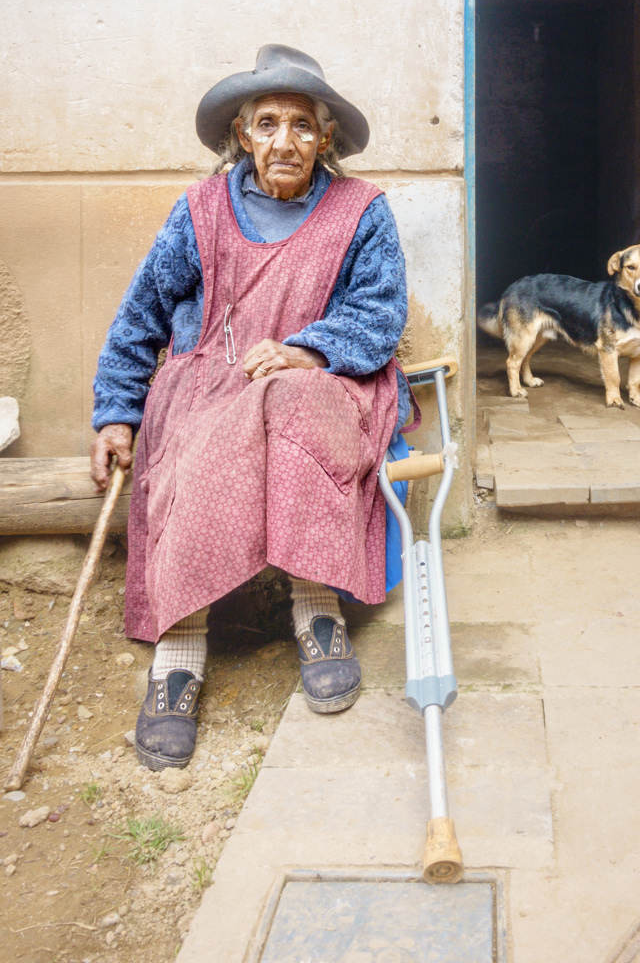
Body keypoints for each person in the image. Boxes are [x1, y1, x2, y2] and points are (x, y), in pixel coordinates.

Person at [90, 44, 409, 771]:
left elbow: (379, 312)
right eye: (267, 124)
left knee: (295, 406)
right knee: (200, 446)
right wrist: (116, 410)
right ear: (243, 135)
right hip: (211, 378)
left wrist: (307, 349)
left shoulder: (362, 211)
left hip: (319, 379)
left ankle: (315, 607)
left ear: (326, 138)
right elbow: (141, 312)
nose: (285, 142)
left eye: (302, 125)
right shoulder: (198, 211)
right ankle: (180, 648)